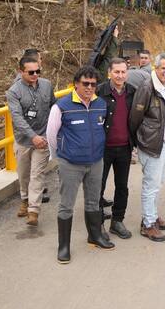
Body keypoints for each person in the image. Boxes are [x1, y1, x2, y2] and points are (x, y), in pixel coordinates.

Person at [46, 66, 114, 264]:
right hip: (70, 164)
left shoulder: (100, 104)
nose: (89, 88)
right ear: (76, 84)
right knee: (66, 206)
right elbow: (51, 135)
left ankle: (94, 236)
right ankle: (63, 247)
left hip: (95, 162)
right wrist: (59, 156)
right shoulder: (61, 106)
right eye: (85, 83)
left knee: (93, 202)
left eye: (93, 84)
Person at [129, 53, 165, 242]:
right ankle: (148, 224)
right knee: (151, 185)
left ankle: (153, 216)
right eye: (163, 68)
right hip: (152, 145)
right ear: (155, 68)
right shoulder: (147, 87)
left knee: (157, 184)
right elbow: (135, 118)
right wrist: (140, 141)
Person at [6, 56, 56, 226]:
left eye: (38, 71)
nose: (35, 75)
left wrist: (50, 133)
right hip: (24, 140)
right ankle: (25, 200)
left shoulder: (47, 85)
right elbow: (17, 118)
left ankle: (33, 210)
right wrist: (32, 136)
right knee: (24, 174)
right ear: (21, 72)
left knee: (37, 174)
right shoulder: (13, 92)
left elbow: (54, 107)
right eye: (31, 72)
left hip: (43, 139)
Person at [96, 58, 135, 240]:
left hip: (125, 148)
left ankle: (117, 221)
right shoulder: (99, 91)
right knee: (98, 187)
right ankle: (97, 225)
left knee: (122, 187)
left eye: (123, 72)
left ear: (127, 73)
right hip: (102, 148)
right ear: (109, 73)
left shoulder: (132, 92)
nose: (120, 75)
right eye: (116, 72)